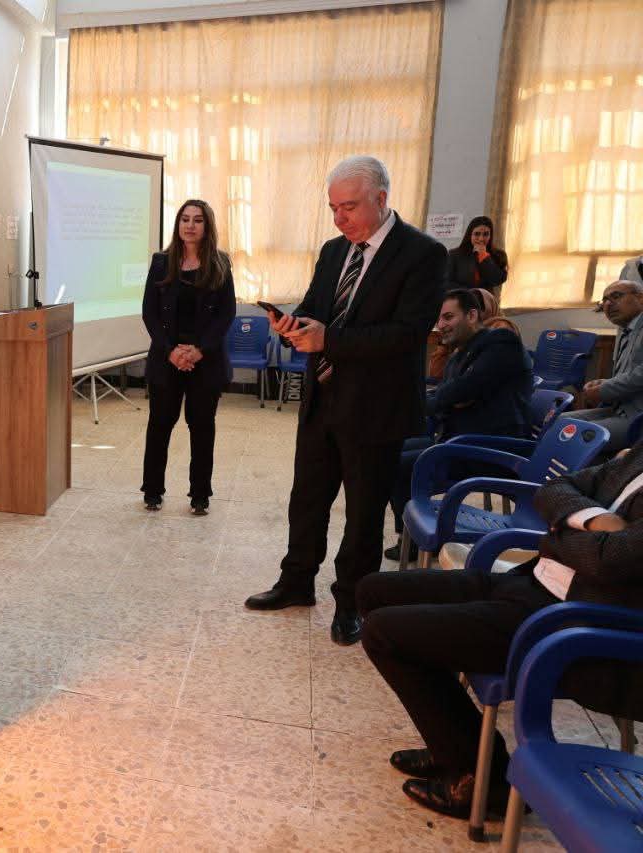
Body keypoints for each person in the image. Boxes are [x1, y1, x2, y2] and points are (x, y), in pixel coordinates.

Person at [358, 442, 643, 820]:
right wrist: (593, 521)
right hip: (531, 583)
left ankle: (482, 779)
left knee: (384, 634)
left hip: (572, 623)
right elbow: (554, 488)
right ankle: (456, 744)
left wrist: (560, 529)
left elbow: (610, 560)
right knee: (374, 591)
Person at [244, 155, 446, 646]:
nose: (339, 218)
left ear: (381, 198)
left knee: (363, 513)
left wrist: (327, 339)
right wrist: (293, 324)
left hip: (377, 407)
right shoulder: (334, 250)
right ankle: (296, 582)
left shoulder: (423, 253)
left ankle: (352, 600)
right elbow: (317, 308)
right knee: (307, 499)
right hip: (324, 396)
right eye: (333, 208)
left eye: (349, 207)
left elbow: (407, 334)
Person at [385, 289, 533, 558]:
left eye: (448, 317)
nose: (440, 325)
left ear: (472, 315)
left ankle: (416, 541)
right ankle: (409, 536)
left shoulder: (501, 341)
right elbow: (451, 393)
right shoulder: (462, 352)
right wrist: (450, 398)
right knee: (391, 449)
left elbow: (460, 391)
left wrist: (449, 398)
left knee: (399, 465)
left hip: (489, 449)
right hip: (458, 437)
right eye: (439, 319)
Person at [139, 200, 237, 515]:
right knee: (159, 425)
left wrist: (199, 350)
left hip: (205, 359)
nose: (190, 225)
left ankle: (200, 494)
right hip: (166, 357)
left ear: (207, 226)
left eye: (197, 220)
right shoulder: (161, 262)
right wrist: (170, 351)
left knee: (202, 427)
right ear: (178, 224)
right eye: (185, 219)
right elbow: (150, 313)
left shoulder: (220, 263)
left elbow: (226, 314)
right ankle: (152, 490)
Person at [564, 280, 643, 453]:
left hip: (638, 417)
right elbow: (629, 373)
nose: (608, 304)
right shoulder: (627, 331)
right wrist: (604, 383)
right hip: (620, 409)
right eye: (604, 300)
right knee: (561, 422)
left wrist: (604, 389)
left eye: (616, 296)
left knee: (575, 437)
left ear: (640, 298)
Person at [446, 215, 508, 297]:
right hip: (461, 300)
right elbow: (447, 283)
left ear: (490, 236)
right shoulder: (454, 255)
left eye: (486, 234)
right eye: (477, 234)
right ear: (470, 235)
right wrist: (471, 293)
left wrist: (484, 256)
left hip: (486, 302)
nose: (481, 239)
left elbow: (497, 280)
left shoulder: (498, 255)